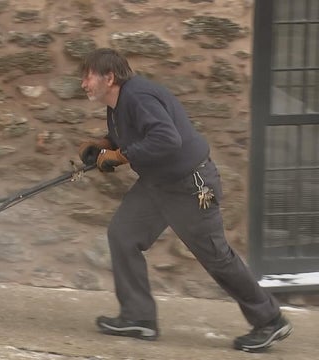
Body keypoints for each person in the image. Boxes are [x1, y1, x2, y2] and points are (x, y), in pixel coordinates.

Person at [76, 48, 292, 353]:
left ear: (109, 77)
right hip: (157, 185)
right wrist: (103, 145)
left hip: (190, 184)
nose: (82, 84)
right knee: (123, 234)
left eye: (87, 77)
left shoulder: (138, 96)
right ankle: (138, 317)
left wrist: (120, 156)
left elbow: (166, 138)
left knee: (216, 256)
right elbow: (135, 134)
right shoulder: (118, 103)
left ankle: (270, 320)